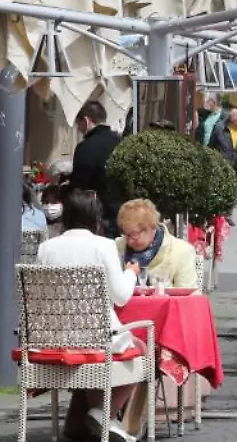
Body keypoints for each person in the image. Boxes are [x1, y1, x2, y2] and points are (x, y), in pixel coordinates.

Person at [37, 189, 140, 442]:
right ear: (95, 217)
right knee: (141, 350)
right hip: (97, 339)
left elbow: (37, 297)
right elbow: (121, 296)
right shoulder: (104, 246)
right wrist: (131, 272)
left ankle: (88, 421)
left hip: (53, 339)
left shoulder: (46, 249)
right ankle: (104, 414)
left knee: (104, 356)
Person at [115, 199, 199, 288]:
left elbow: (187, 298)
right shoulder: (117, 247)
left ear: (152, 226)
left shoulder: (182, 251)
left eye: (134, 234)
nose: (129, 241)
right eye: (126, 235)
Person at [71, 101, 123, 238]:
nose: (79, 129)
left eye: (79, 124)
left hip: (98, 216)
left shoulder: (86, 147)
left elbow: (79, 185)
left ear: (86, 121)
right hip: (123, 213)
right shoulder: (121, 142)